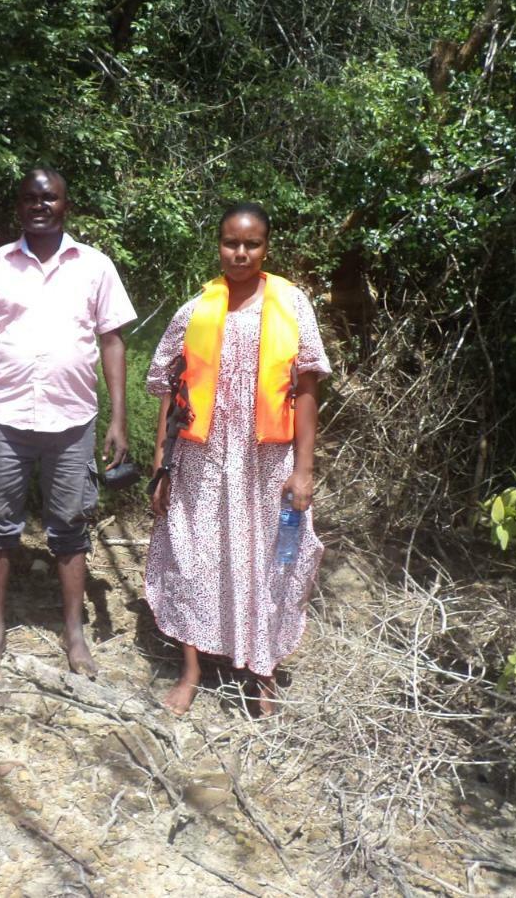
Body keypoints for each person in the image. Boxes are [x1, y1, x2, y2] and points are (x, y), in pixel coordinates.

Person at [0, 167, 137, 681]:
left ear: (65, 205)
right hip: (3, 418)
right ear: (19, 207)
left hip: (73, 421)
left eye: (49, 197)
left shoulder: (95, 267)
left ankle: (73, 634)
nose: (39, 205)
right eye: (30, 198)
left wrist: (118, 418)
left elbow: (112, 341)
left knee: (70, 527)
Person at [145, 202, 330, 715]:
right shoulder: (196, 310)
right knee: (191, 554)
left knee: (270, 559)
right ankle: (192, 670)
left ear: (267, 248)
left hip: (266, 462)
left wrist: (304, 468)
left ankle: (261, 671)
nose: (241, 253)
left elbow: (308, 388)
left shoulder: (292, 306)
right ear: (219, 244)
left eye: (252, 244)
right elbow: (168, 388)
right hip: (200, 460)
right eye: (231, 242)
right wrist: (161, 462)